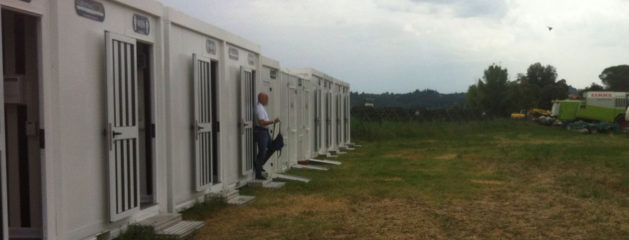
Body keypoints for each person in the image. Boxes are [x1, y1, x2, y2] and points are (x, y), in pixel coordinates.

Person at [254, 92, 279, 180]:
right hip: (261, 131)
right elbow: (261, 122)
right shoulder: (259, 109)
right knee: (262, 151)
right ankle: (258, 172)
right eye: (266, 99)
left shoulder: (262, 107)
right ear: (262, 99)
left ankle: (259, 165)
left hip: (265, 131)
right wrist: (273, 121)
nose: (267, 100)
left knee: (272, 147)